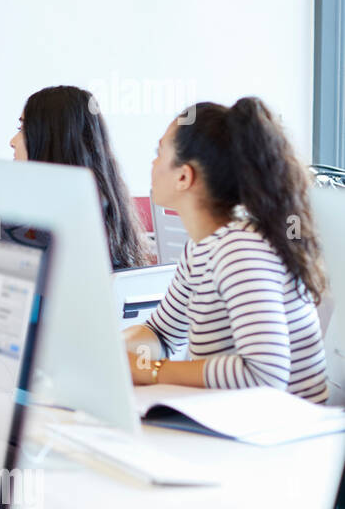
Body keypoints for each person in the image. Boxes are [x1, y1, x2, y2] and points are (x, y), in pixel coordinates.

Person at [122, 97, 329, 401]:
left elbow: (265, 373)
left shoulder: (239, 249)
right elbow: (161, 333)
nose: (152, 163)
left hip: (282, 436)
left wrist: (151, 370)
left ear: (184, 176)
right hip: (244, 427)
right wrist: (111, 349)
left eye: (158, 153)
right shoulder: (202, 248)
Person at [9, 85, 151, 270]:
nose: (12, 141)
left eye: (23, 128)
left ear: (52, 140)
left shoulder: (68, 227)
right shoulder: (95, 209)